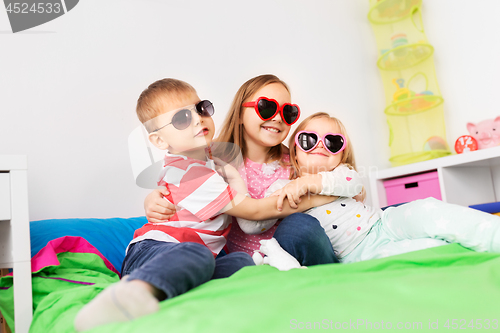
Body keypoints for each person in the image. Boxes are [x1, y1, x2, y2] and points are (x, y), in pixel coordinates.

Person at [74, 79, 336, 331]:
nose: (198, 118)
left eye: (201, 109)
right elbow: (252, 211)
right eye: (181, 118)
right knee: (196, 254)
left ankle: (174, 290)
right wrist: (153, 197)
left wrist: (340, 187)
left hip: (214, 256)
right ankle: (130, 295)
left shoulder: (212, 157)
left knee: (240, 264)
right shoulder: (202, 167)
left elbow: (336, 173)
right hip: (160, 250)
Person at [249, 112, 500, 270]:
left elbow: (354, 183)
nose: (320, 147)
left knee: (429, 209)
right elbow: (253, 225)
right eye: (309, 139)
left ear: (341, 154)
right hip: (358, 251)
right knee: (429, 250)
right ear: (294, 150)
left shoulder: (342, 173)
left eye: (332, 142)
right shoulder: (281, 187)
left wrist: (306, 184)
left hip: (384, 222)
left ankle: (493, 235)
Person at [144, 74, 339, 266]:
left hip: (290, 253)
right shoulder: (213, 158)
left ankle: (331, 277)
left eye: (287, 112)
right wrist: (154, 198)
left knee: (300, 226)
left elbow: (342, 180)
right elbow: (180, 178)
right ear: (239, 115)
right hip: (242, 261)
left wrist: (341, 189)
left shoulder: (297, 161)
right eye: (266, 107)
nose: (278, 117)